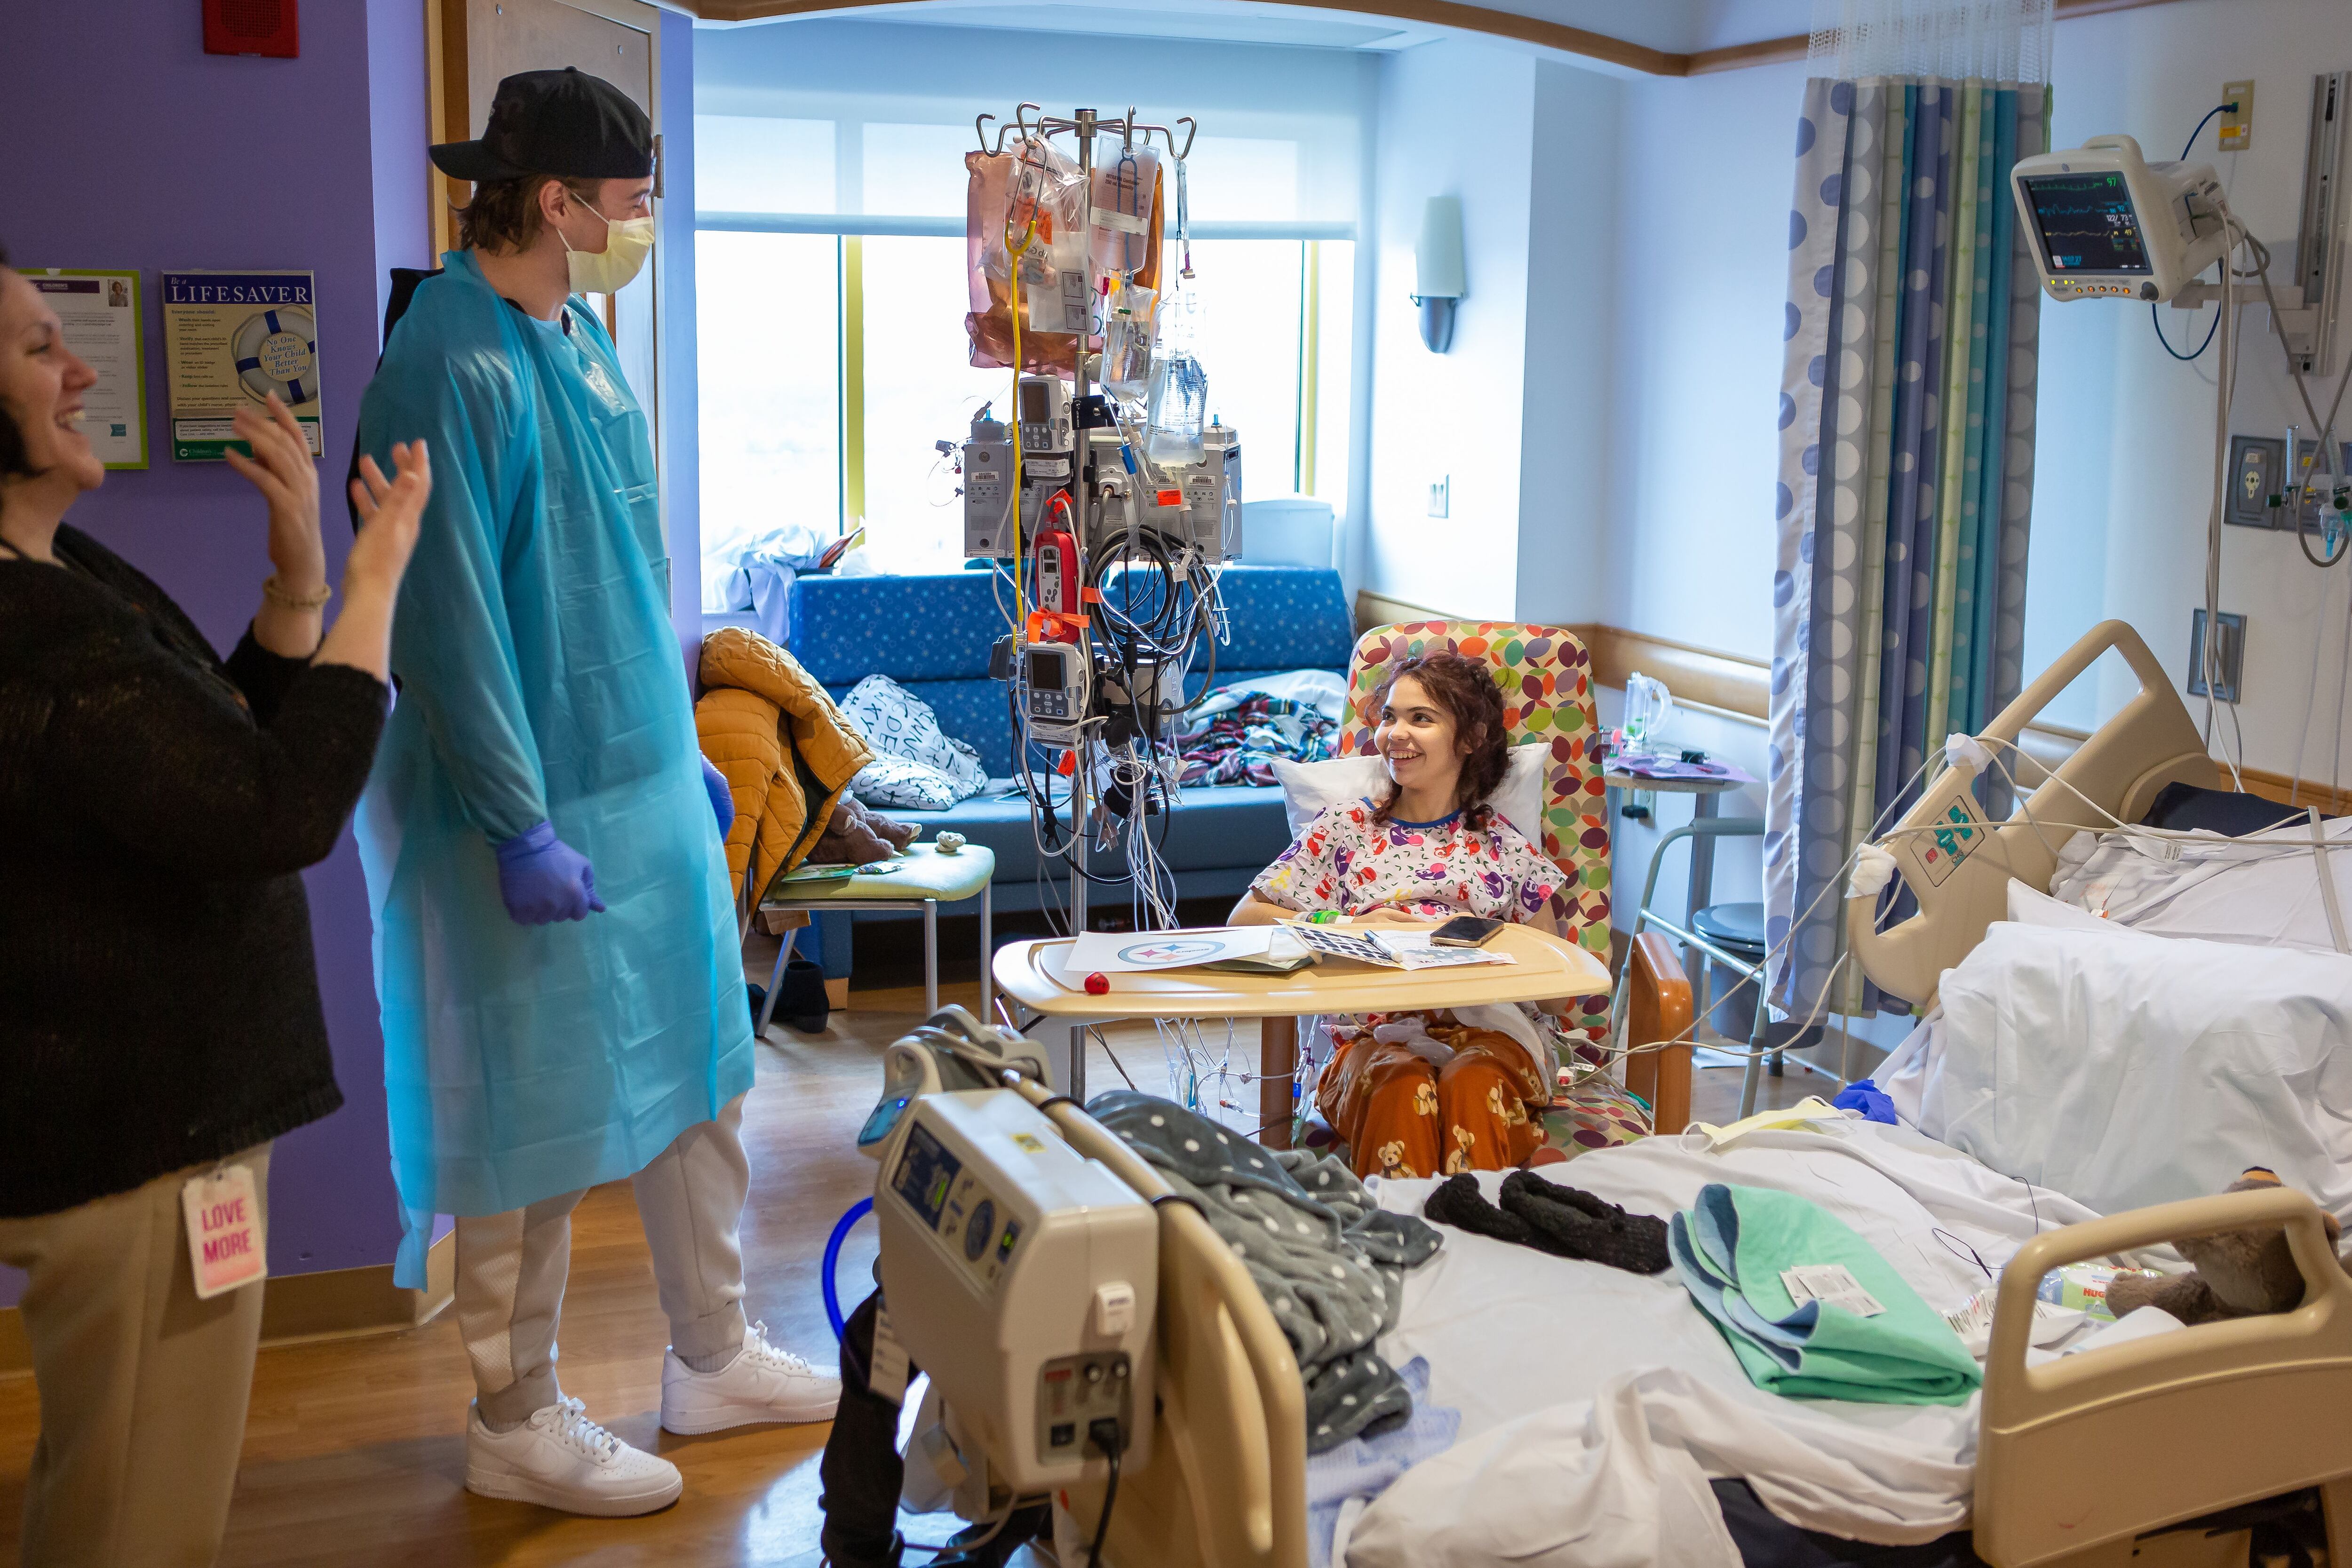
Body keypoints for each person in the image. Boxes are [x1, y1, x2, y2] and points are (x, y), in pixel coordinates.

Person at [354, 66, 836, 1518]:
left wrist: (674, 738)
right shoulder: (446, 362)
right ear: (553, 201)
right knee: (534, 1122)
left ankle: (710, 1352)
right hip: (525, 811)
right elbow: (446, 624)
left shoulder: (581, 340)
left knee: (702, 1077)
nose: (645, 218)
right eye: (629, 195)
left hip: (639, 782)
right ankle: (512, 1412)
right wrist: (519, 820)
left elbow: (621, 566)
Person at [0, 249, 428, 1567]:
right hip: (139, 1144)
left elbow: (212, 757)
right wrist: (374, 583)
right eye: (30, 350)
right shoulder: (31, 629)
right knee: (138, 1512)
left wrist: (299, 577)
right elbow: (281, 811)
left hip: (155, 1130)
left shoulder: (62, 573)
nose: (78, 369)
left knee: (116, 1481)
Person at [1229, 652, 1569, 1179]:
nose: (1394, 734)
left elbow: (1557, 990)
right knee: (1401, 1085)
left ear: (1470, 738)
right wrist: (1361, 928)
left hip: (1491, 1035)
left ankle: (1479, 1238)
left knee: (1471, 1084)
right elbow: (1245, 920)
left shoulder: (1501, 846)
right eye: (1388, 716)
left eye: (1420, 718)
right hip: (1373, 1036)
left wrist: (1461, 939)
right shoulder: (1344, 831)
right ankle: (1395, 1243)